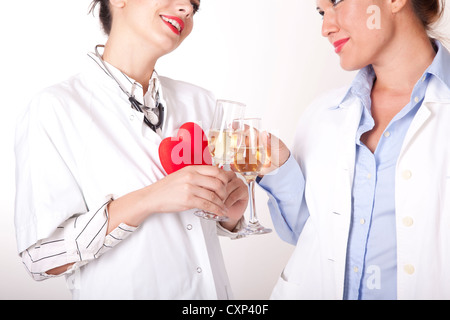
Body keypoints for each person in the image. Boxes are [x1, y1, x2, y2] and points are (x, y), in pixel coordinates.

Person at [14, 0, 249, 299]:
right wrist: (150, 198)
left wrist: (228, 212)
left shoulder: (200, 102)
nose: (187, 9)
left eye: (194, 5)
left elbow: (195, 226)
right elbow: (40, 259)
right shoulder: (54, 109)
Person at [258, 0, 450, 299]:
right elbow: (311, 237)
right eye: (321, 13)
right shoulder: (323, 112)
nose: (326, 27)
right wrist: (280, 169)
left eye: (335, 3)